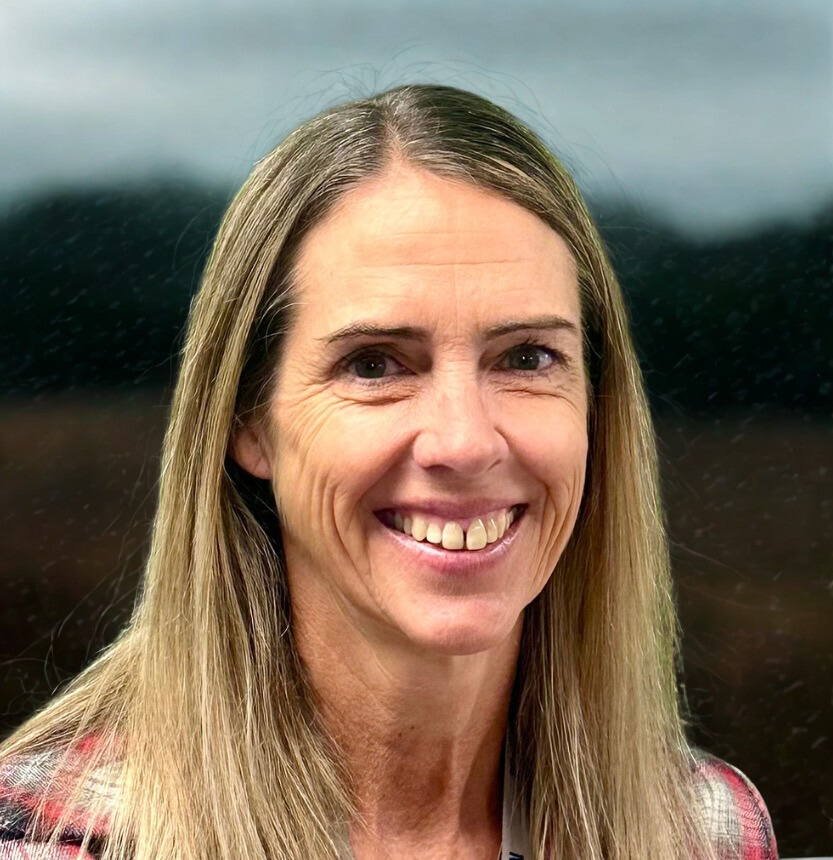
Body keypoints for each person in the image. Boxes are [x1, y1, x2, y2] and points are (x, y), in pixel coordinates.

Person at [0, 84, 778, 860]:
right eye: (374, 365)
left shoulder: (700, 834)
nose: (464, 441)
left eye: (527, 359)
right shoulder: (53, 840)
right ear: (249, 421)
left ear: (596, 410)